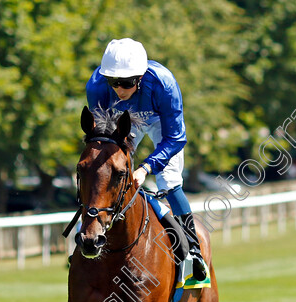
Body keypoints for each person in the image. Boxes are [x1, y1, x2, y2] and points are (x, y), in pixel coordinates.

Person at [86, 38, 208, 280]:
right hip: (123, 122)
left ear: (140, 78)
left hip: (159, 122)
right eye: (113, 82)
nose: (119, 90)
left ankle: (193, 252)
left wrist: (145, 168)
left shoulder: (164, 83)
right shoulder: (97, 87)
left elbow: (176, 138)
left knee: (169, 181)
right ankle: (87, 236)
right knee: (102, 171)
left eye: (126, 83)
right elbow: (102, 137)